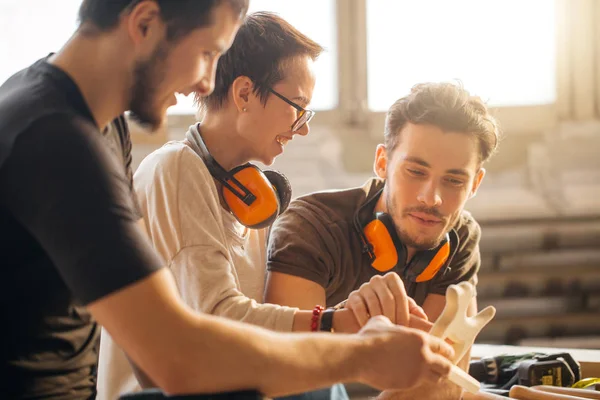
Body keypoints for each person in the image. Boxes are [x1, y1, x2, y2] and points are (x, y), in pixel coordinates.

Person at [0, 1, 456, 399]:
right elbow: (177, 358)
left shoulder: (96, 126)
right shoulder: (55, 139)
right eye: (206, 53)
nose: (205, 83)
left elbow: (159, 335)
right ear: (144, 23)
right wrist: (359, 352)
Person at [265, 82, 501, 399]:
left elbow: (437, 383)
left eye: (454, 181)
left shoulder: (460, 236)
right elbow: (284, 374)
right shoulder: (311, 228)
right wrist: (345, 324)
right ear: (382, 162)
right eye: (416, 171)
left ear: (475, 184)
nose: (432, 199)